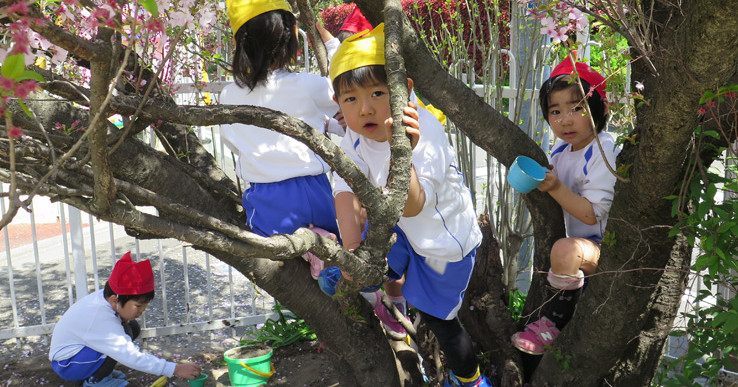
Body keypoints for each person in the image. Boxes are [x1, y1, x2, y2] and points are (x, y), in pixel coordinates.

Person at [320, 24, 492, 387]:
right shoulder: (356, 131)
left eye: (378, 93)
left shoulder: (424, 131)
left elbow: (413, 206)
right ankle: (375, 288)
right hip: (401, 229)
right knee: (366, 262)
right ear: (338, 103)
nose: (365, 108)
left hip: (442, 244)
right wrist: (350, 249)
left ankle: (470, 380)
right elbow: (344, 184)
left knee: (439, 320)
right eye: (351, 99)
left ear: (405, 91)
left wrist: (405, 152)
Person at [220, 0, 344, 280]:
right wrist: (328, 40)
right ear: (292, 42)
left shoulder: (228, 96)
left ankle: (308, 247)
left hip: (268, 199)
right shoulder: (309, 86)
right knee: (330, 250)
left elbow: (232, 142)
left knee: (264, 237)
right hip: (316, 195)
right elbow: (341, 84)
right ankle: (318, 244)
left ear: (241, 46)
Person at [510, 55, 619, 355]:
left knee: (565, 250)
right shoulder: (561, 151)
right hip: (576, 245)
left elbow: (591, 212)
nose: (565, 119)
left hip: (602, 245)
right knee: (564, 250)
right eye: (555, 111)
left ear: (601, 108)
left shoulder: (603, 150)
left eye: (577, 108)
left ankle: (553, 324)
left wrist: (555, 187)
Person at [49, 252, 201, 386]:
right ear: (115, 300)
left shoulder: (105, 298)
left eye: (145, 305)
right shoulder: (101, 319)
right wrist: (174, 369)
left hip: (77, 353)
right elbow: (130, 355)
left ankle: (98, 374)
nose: (143, 310)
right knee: (122, 338)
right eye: (138, 306)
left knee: (131, 328)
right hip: (68, 364)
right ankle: (95, 382)